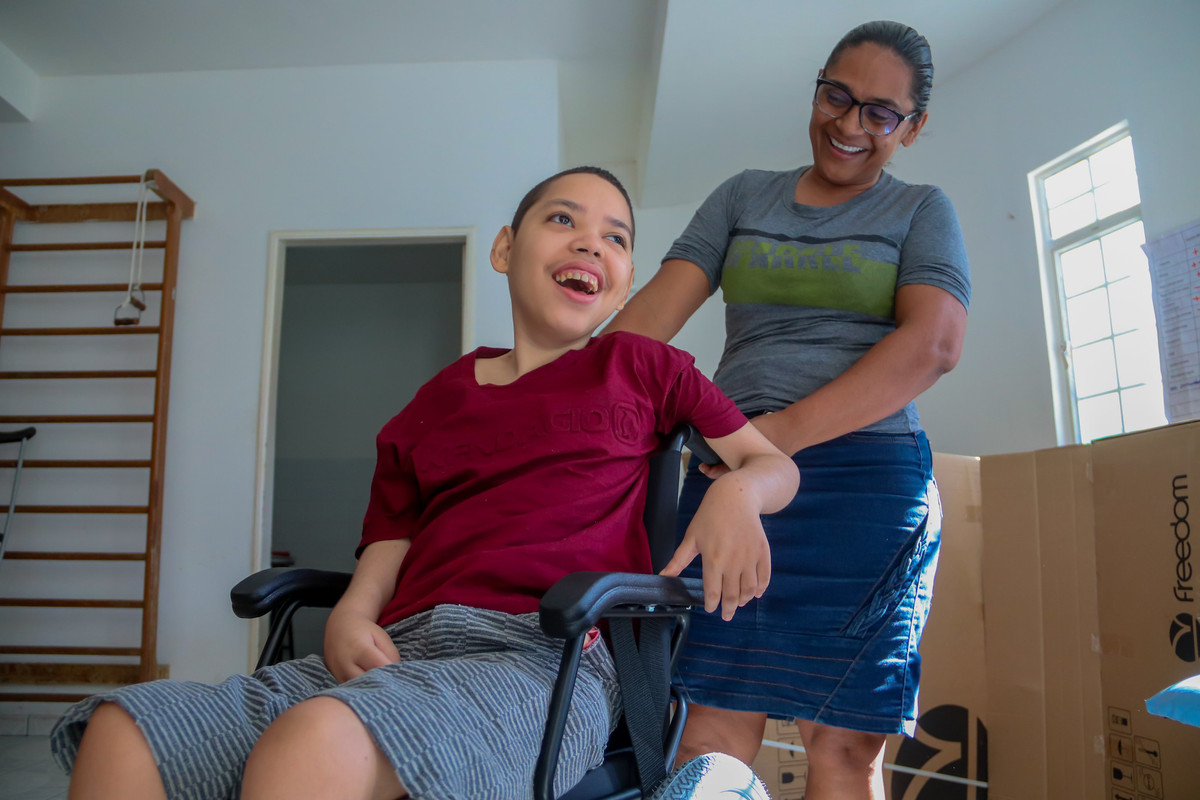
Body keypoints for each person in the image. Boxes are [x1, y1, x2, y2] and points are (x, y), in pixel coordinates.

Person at [50, 166, 799, 800]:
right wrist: (350, 615)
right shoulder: (437, 399)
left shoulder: (641, 367)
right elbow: (392, 533)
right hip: (401, 650)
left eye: (616, 237)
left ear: (625, 279)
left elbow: (773, 465)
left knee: (317, 742)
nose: (589, 243)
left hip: (545, 659)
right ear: (505, 248)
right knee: (124, 731)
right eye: (562, 219)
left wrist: (736, 492)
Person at [603, 21, 971, 800]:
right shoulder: (743, 196)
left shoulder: (920, 210)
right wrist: (556, 394)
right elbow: (643, 326)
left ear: (912, 128)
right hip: (734, 478)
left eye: (880, 112)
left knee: (844, 748)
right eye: (836, 95)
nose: (849, 124)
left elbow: (934, 345)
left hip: (864, 489)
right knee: (708, 729)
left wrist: (768, 442)